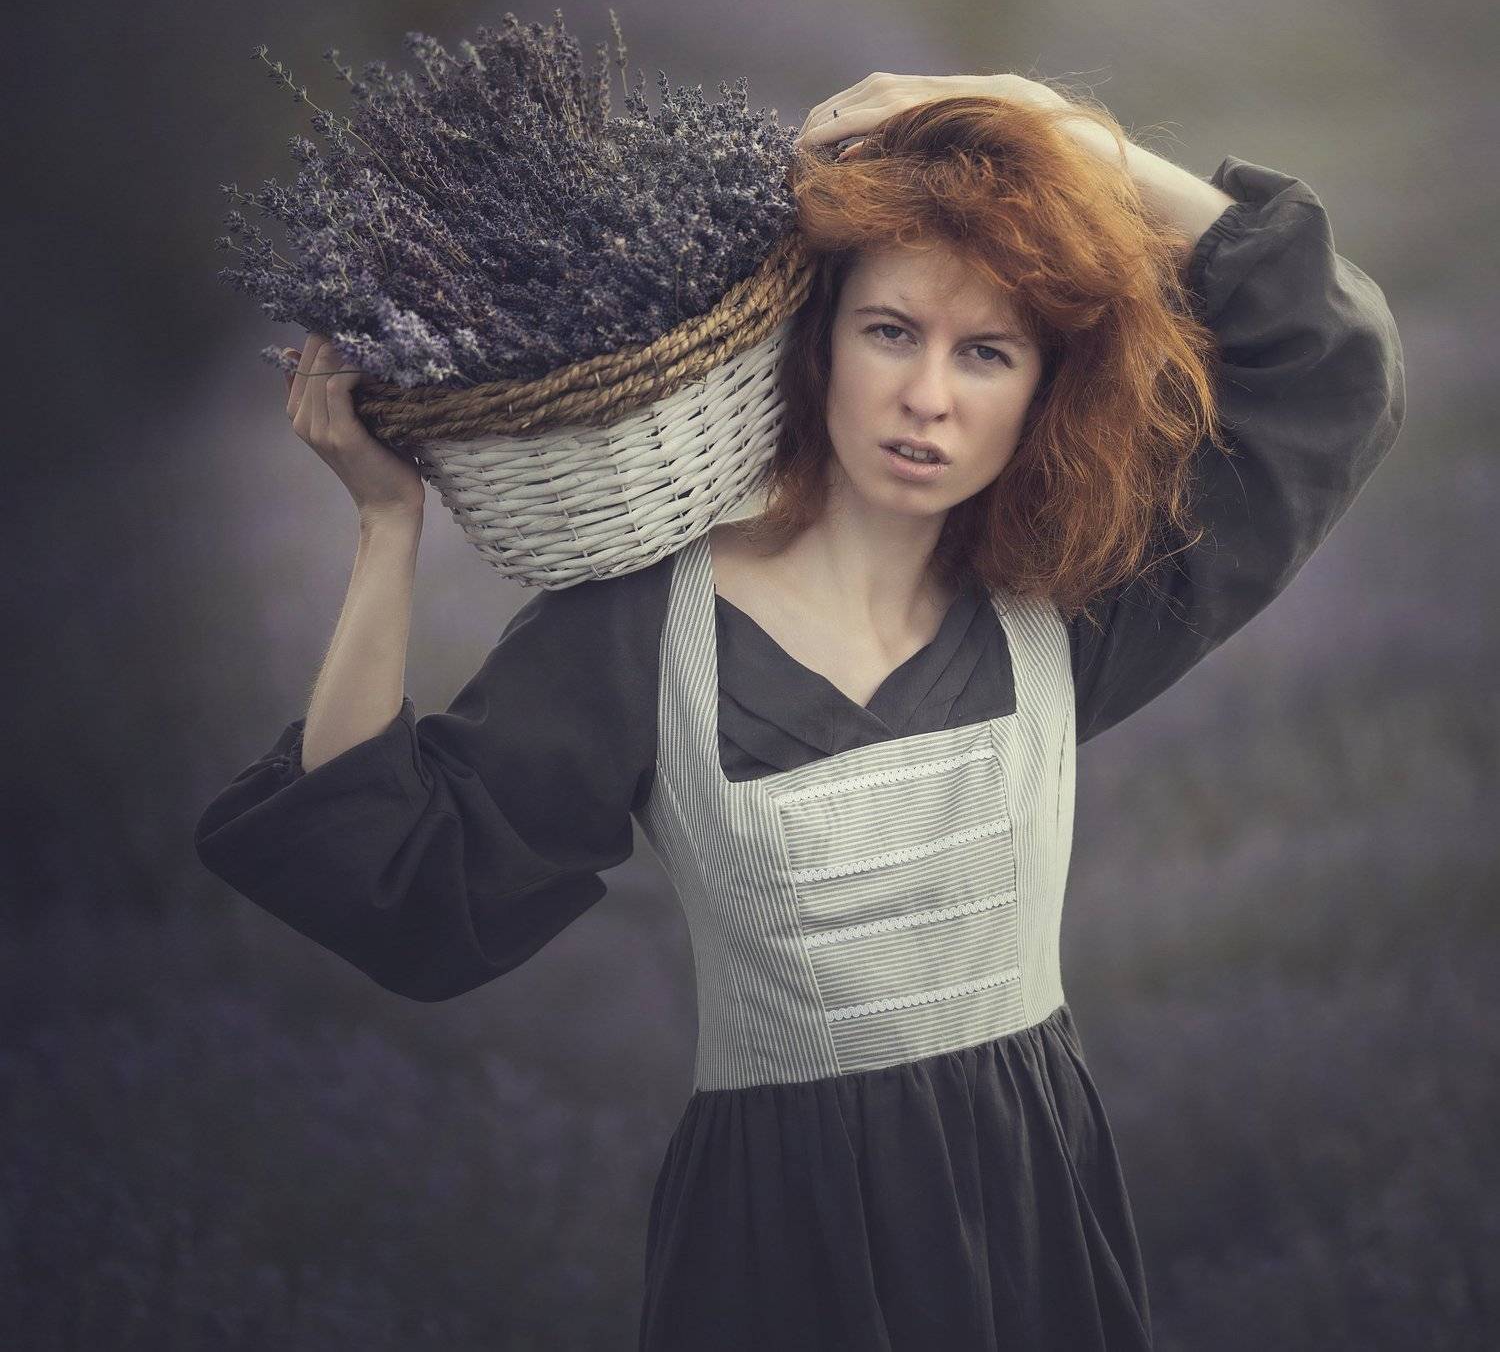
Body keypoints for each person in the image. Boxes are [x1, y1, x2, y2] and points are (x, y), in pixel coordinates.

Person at [194, 75, 1406, 1351]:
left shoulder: (1071, 611)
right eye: (892, 331)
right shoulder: (635, 630)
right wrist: (385, 529)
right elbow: (393, 881)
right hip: (779, 1241)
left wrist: (1037, 116)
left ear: (1044, 387)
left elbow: (1337, 363)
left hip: (1032, 1220)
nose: (927, 396)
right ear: (818, 340)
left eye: (985, 352)